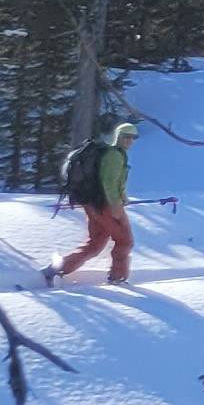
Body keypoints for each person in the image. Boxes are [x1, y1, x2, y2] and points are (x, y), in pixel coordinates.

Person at [46, 117, 137, 286]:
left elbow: (115, 183)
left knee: (95, 244)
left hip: (94, 204)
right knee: (125, 240)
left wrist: (123, 198)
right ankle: (118, 278)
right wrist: (116, 207)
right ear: (118, 136)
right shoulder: (114, 156)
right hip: (106, 206)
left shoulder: (112, 154)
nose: (130, 140)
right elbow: (109, 183)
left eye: (133, 137)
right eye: (126, 136)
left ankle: (56, 269)